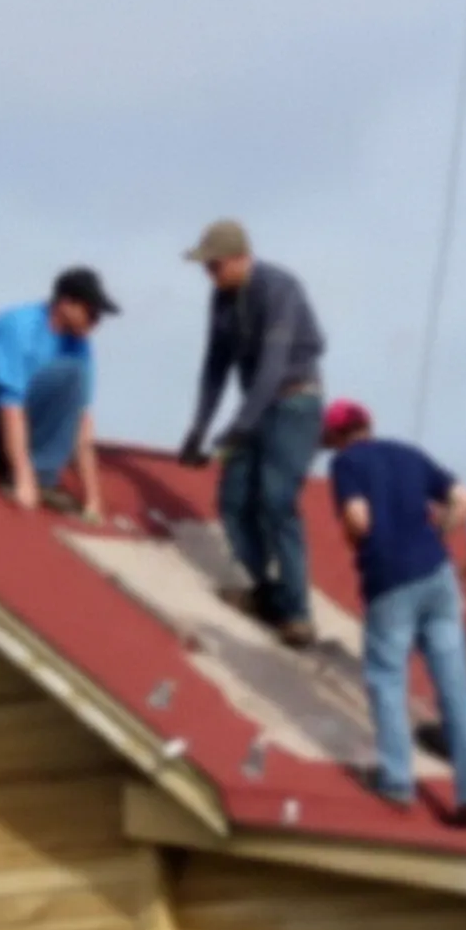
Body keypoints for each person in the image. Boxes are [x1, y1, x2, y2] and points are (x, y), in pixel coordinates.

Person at [324, 399, 466, 827]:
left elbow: (359, 520)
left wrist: (352, 541)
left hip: (390, 579)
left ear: (336, 437)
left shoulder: (346, 464)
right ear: (369, 425)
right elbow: (462, 497)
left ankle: (398, 781)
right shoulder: (408, 453)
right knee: (454, 685)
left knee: (387, 678)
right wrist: (439, 532)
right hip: (438, 574)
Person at [177, 220, 326, 648]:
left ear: (243, 258)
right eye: (206, 268)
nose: (211, 274)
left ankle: (298, 614)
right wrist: (199, 428)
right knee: (233, 501)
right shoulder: (221, 299)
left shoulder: (279, 289)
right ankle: (269, 592)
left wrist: (236, 429)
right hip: (254, 408)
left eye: (216, 265)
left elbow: (273, 366)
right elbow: (215, 366)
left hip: (294, 403)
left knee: (276, 499)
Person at [0, 267, 120, 517]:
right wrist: (23, 480)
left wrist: (93, 499)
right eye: (91, 313)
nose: (96, 322)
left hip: (0, 431)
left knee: (73, 378)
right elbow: (10, 404)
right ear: (66, 303)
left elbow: (81, 421)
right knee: (69, 375)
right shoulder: (19, 327)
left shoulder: (78, 347)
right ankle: (29, 476)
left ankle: (36, 474)